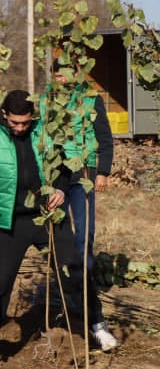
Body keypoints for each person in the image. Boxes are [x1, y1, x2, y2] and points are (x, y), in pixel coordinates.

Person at [0, 91, 116, 354]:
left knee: (73, 271)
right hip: (10, 222)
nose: (20, 128)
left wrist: (61, 190)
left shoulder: (47, 134)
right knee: (2, 279)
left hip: (48, 217)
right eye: (14, 122)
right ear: (4, 115)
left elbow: (64, 168)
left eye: (25, 123)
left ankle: (97, 325)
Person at [37, 75, 113, 276]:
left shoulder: (90, 98)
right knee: (58, 228)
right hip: (53, 170)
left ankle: (84, 277)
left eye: (65, 74)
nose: (61, 79)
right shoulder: (46, 99)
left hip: (83, 171)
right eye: (57, 75)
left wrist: (103, 171)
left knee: (85, 229)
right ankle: (62, 277)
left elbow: (104, 137)